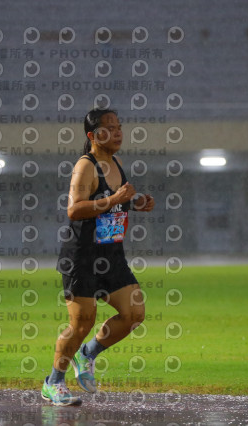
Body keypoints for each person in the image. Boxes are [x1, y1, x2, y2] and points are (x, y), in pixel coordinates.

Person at [41, 108, 155, 406]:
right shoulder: (86, 166)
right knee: (81, 324)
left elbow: (113, 204)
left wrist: (135, 202)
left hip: (111, 255)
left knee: (134, 314)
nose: (117, 133)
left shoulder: (116, 163)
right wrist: (115, 199)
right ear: (92, 135)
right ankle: (53, 382)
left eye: (119, 127)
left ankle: (87, 353)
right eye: (109, 128)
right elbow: (75, 209)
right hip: (82, 257)